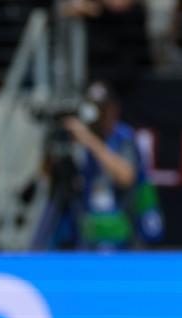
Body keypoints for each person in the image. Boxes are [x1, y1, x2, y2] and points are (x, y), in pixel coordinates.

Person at [35, 80, 163, 249]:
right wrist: (55, 147)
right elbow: (45, 175)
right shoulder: (77, 139)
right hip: (86, 235)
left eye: (103, 110)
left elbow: (126, 176)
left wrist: (89, 140)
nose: (99, 116)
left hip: (123, 237)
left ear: (113, 110)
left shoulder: (123, 137)